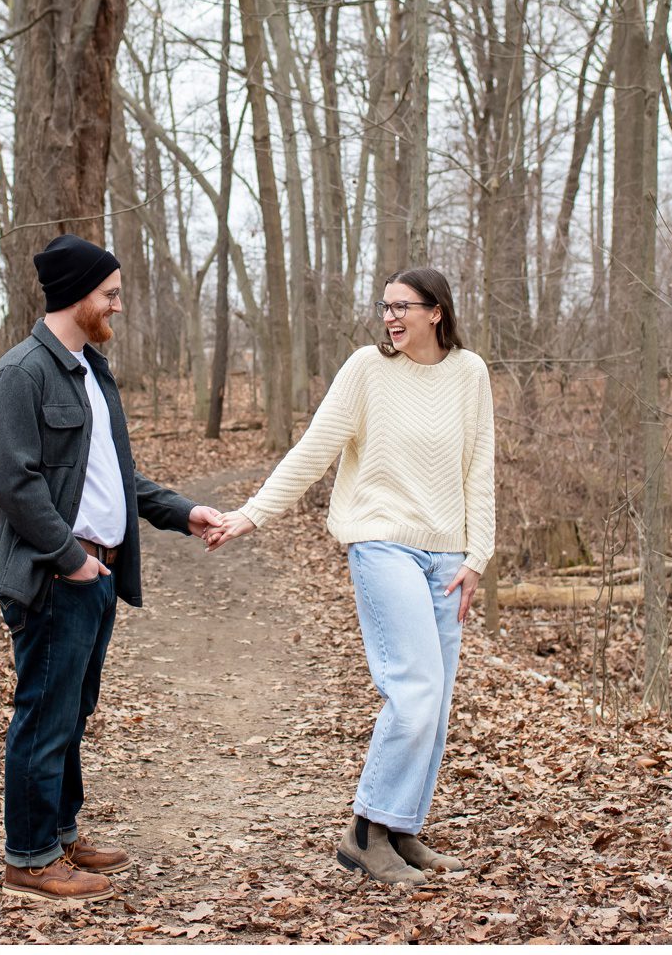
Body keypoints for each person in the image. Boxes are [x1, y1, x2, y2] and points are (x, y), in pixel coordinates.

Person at [205, 266, 495, 886]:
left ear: (436, 311)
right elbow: (315, 449)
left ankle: (400, 825)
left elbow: (479, 467)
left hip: (447, 557)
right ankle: (365, 834)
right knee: (413, 691)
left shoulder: (469, 374)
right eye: (384, 306)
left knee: (435, 703)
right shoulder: (368, 369)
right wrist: (252, 514)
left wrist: (478, 557)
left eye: (402, 307)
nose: (389, 317)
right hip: (382, 544)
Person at [0, 233, 225, 904]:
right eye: (110, 293)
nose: (118, 305)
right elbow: (14, 484)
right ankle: (29, 859)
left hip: (95, 576)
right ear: (77, 295)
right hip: (58, 577)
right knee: (44, 712)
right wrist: (71, 563)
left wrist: (182, 510)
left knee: (72, 709)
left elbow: (115, 477)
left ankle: (59, 833)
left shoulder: (90, 371)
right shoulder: (20, 374)